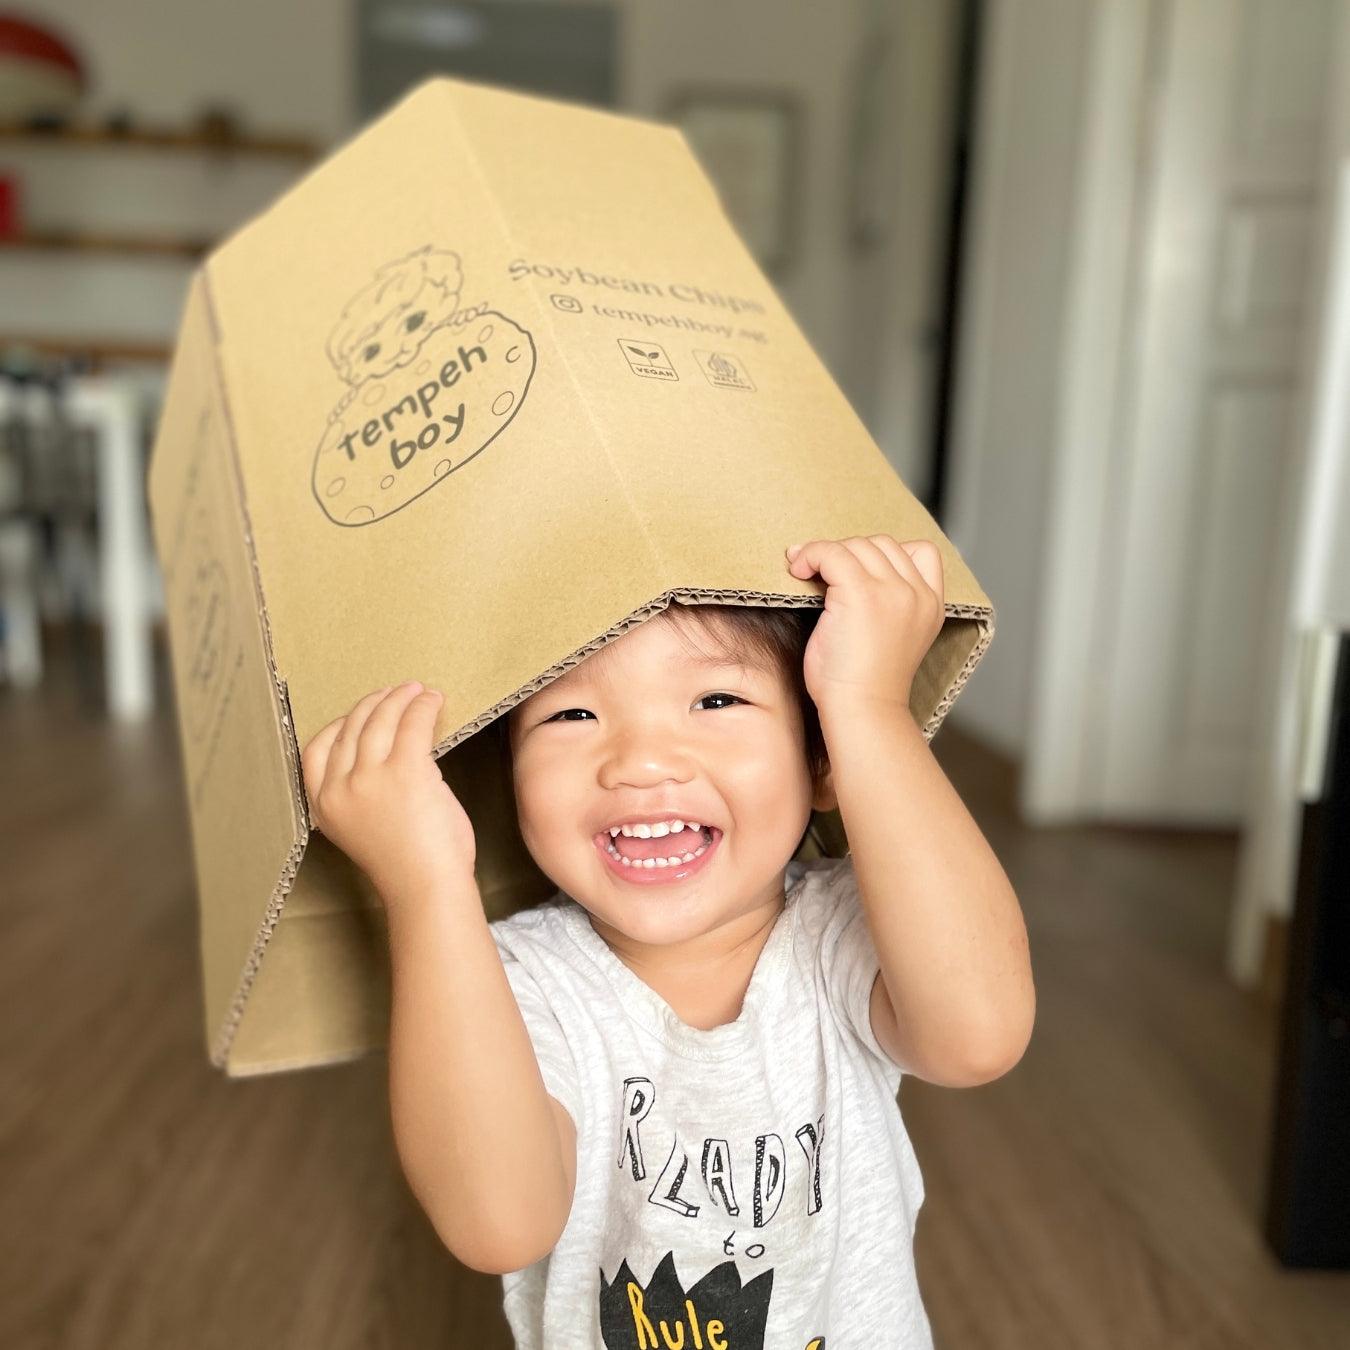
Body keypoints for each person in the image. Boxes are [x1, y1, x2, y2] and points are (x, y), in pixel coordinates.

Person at [300, 535, 1035, 1348]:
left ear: (823, 757)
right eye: (571, 714)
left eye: (717, 700)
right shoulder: (515, 985)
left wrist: (868, 706)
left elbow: (979, 1035)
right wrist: (424, 885)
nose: (641, 763)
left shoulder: (842, 935)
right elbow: (498, 1225)